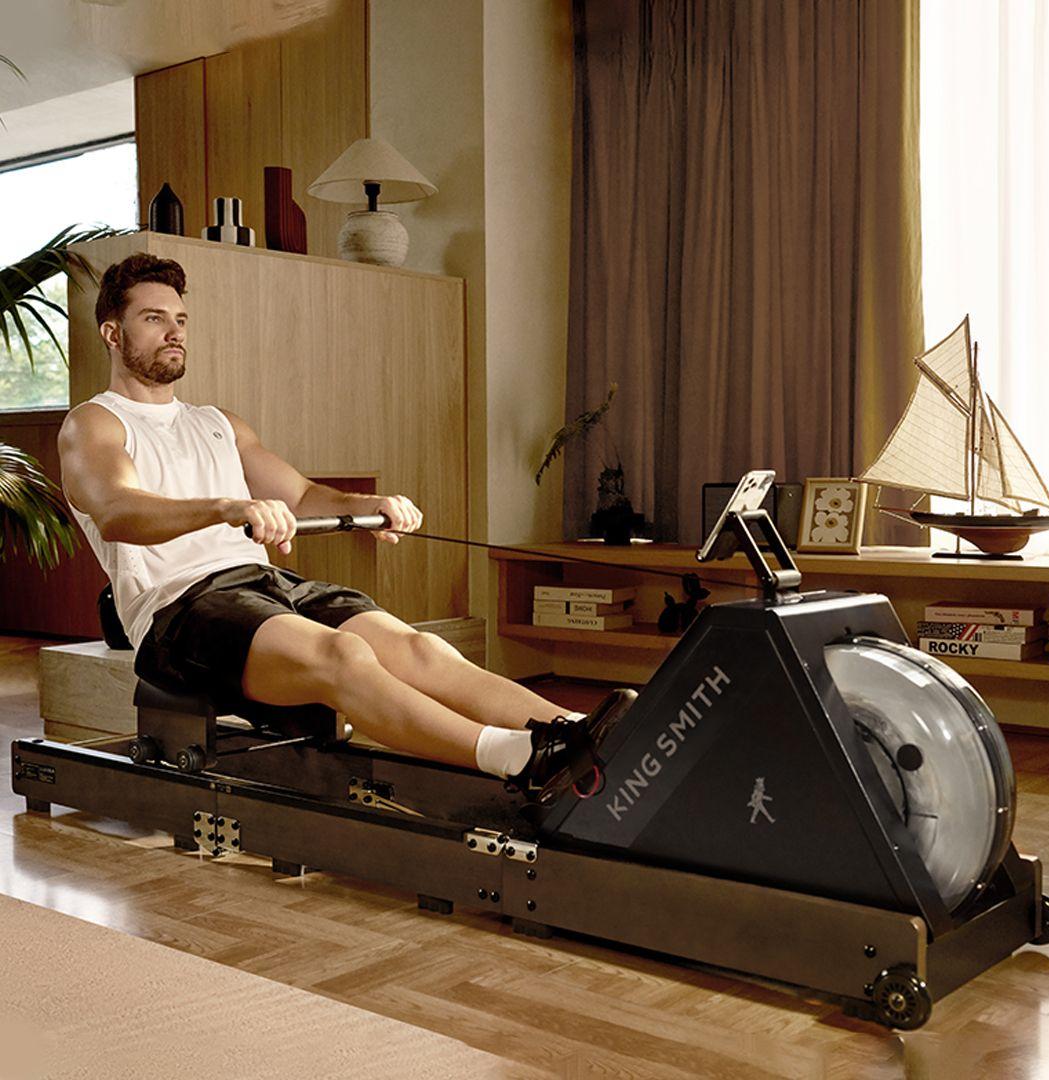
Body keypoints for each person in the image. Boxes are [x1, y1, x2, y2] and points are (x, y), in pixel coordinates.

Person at [58, 253, 634, 798]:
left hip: (264, 587)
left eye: (180, 319)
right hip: (180, 610)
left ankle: (579, 732)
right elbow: (118, 512)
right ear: (112, 332)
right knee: (345, 655)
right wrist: (226, 508)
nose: (174, 332)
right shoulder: (96, 424)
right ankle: (518, 757)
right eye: (154, 318)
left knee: (418, 648)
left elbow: (303, 495)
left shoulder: (218, 423)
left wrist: (368, 505)